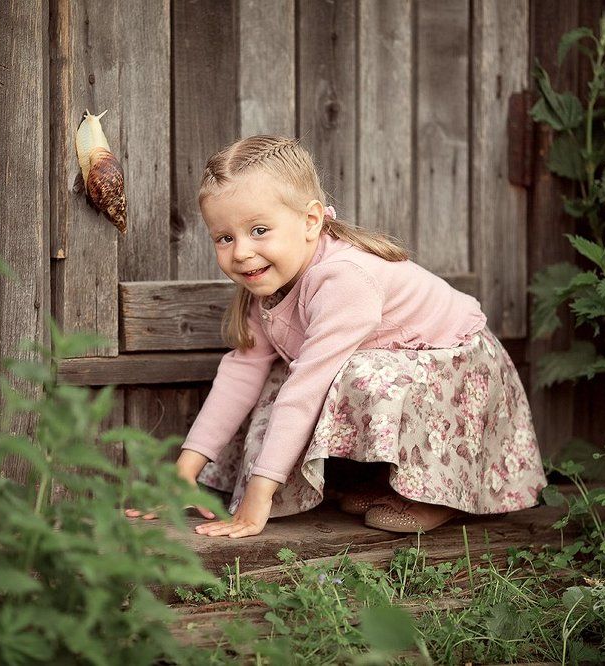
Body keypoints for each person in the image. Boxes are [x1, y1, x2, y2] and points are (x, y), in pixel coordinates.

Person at [124, 135, 548, 539]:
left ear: (310, 221)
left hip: (460, 367)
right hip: (409, 365)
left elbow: (308, 387)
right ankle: (382, 483)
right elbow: (239, 376)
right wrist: (183, 471)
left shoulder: (344, 279)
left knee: (354, 375)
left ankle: (436, 495)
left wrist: (260, 493)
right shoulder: (267, 286)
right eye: (224, 237)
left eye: (259, 230)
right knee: (279, 379)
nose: (241, 252)